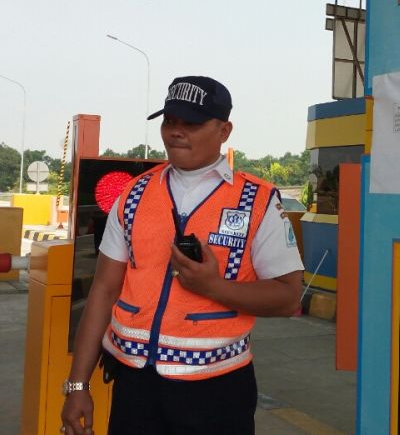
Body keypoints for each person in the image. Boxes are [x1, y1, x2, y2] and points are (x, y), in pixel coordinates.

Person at [61, 76, 304, 435]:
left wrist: (214, 287)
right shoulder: (133, 195)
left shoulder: (258, 201)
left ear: (224, 130)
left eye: (190, 123)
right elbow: (104, 291)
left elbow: (287, 297)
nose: (175, 132)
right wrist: (78, 385)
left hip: (217, 391)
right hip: (135, 387)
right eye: (170, 121)